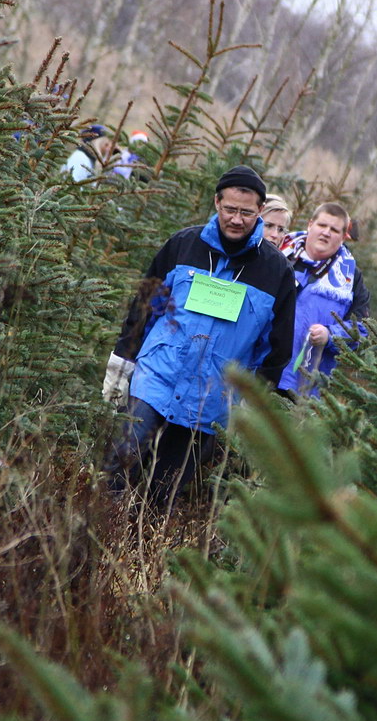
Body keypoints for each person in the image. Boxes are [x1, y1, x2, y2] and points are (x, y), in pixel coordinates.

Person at [101, 165, 297, 501]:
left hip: (212, 398)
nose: (236, 220)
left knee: (165, 490)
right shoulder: (183, 245)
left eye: (246, 213)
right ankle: (101, 523)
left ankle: (143, 534)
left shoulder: (276, 271)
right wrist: (122, 362)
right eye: (230, 209)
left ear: (260, 211)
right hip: (156, 377)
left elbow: (276, 347)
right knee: (121, 460)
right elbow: (144, 306)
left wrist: (255, 400)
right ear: (217, 203)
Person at [279, 201, 369, 397]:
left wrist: (330, 335)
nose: (326, 233)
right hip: (260, 372)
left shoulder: (351, 278)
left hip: (304, 387)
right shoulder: (279, 254)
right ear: (310, 224)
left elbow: (361, 330)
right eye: (322, 225)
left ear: (344, 237)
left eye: (334, 230)